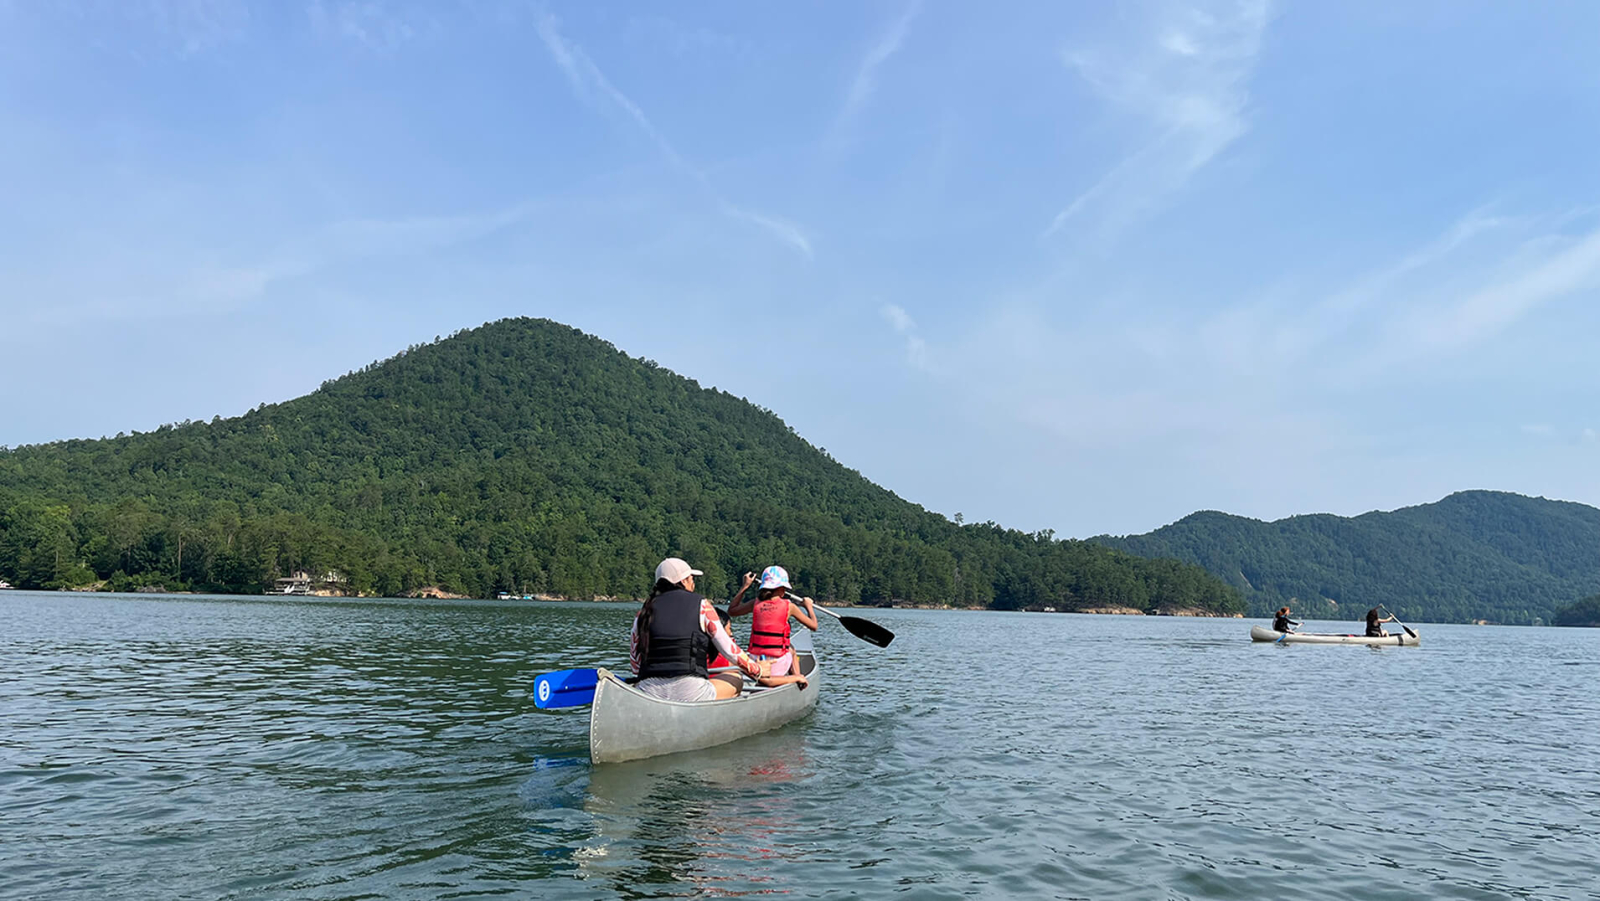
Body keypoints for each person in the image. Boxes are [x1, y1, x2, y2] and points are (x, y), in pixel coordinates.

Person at [631, 557, 762, 701]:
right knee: (735, 677)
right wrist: (757, 670)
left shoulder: (643, 612)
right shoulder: (702, 605)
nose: (693, 582)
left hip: (649, 692)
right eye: (691, 578)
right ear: (683, 581)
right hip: (691, 693)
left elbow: (635, 664)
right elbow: (729, 649)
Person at [729, 565, 818, 688]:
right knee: (791, 650)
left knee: (788, 648)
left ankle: (792, 679)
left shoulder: (755, 603)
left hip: (756, 661)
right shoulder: (789, 606)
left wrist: (745, 586)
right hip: (776, 664)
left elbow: (732, 611)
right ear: (781, 589)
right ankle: (797, 678)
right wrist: (808, 606)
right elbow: (814, 626)